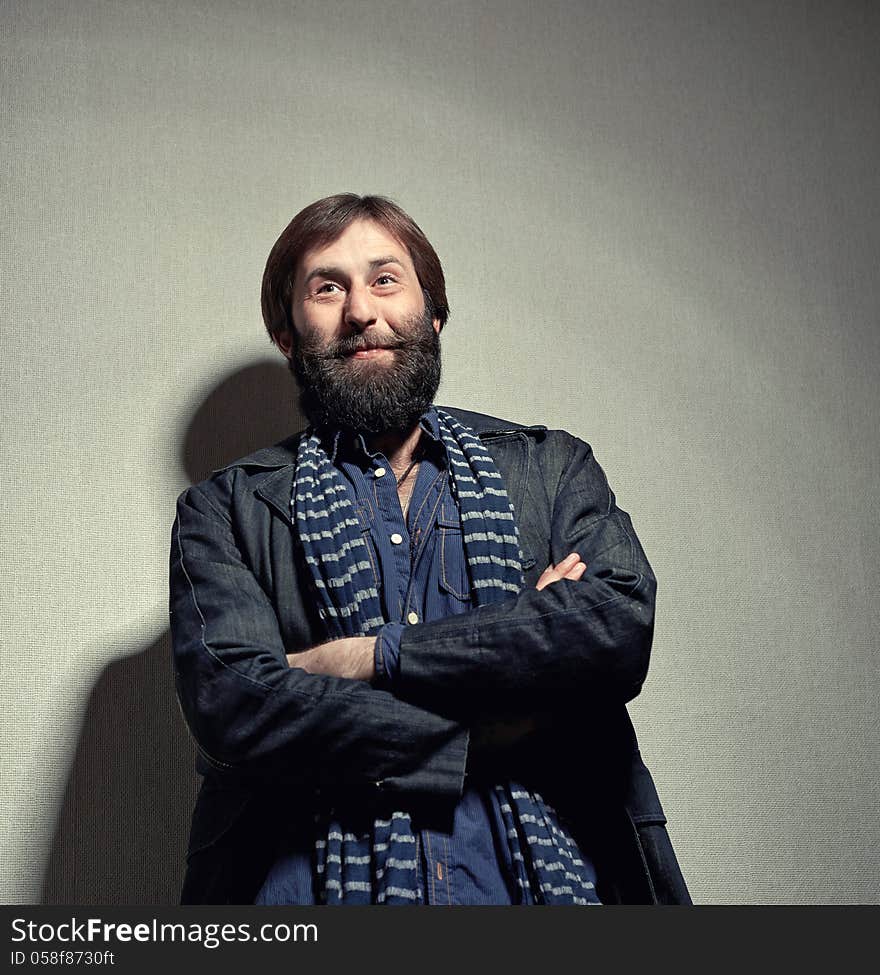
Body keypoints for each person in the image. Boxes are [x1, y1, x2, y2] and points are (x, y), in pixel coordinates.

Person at [169, 193, 692, 905]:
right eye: (328, 287)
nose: (361, 310)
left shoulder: (549, 468)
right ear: (290, 335)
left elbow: (613, 628)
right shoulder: (224, 509)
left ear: (433, 313)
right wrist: (500, 720)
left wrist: (367, 658)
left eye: (386, 279)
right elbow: (236, 705)